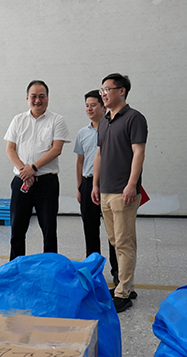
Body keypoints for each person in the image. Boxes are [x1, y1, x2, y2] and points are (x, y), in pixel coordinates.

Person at [91, 73, 147, 313]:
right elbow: (99, 154)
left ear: (122, 91)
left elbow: (138, 153)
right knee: (116, 241)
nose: (103, 94)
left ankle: (123, 292)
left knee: (124, 242)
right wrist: (95, 184)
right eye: (102, 90)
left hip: (123, 191)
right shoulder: (104, 121)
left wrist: (132, 184)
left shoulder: (134, 118)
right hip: (105, 190)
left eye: (107, 89)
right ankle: (127, 284)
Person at [4, 80, 70, 260]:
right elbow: (10, 149)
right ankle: (16, 268)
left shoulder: (57, 120)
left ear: (47, 98)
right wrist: (24, 171)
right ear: (27, 98)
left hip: (46, 183)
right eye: (33, 96)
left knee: (49, 230)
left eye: (42, 96)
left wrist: (32, 168)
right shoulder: (18, 120)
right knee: (17, 229)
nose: (37, 100)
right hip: (21, 182)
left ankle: (50, 269)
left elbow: (56, 149)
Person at [74, 89, 119, 283]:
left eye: (93, 105)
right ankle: (92, 273)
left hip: (109, 185)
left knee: (114, 232)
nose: (89, 109)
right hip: (87, 184)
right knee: (90, 230)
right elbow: (80, 161)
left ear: (103, 107)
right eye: (87, 105)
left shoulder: (113, 128)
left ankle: (118, 273)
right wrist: (79, 187)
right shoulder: (83, 133)